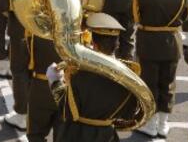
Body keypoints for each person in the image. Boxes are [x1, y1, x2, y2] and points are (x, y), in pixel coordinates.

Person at [48, 13, 138, 141]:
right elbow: (129, 114)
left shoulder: (79, 73)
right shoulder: (127, 76)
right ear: (117, 44)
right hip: (107, 136)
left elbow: (66, 110)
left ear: (94, 44)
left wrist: (55, 82)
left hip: (77, 135)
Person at [133, 0, 188, 138]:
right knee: (168, 83)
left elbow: (137, 17)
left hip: (148, 42)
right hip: (172, 43)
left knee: (149, 83)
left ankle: (150, 123)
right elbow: (184, 17)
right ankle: (163, 124)